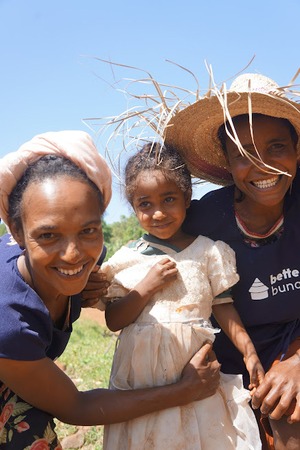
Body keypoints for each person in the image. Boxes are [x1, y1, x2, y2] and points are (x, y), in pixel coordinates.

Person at [0, 130, 221, 449]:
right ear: (18, 234)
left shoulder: (93, 261)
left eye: (88, 230)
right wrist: (184, 390)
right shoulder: (8, 317)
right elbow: (74, 406)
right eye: (48, 236)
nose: (73, 254)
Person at [164, 73, 300, 450]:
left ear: (296, 149)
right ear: (226, 161)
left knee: (290, 413)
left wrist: (297, 363)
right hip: (226, 360)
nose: (262, 166)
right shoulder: (204, 221)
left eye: (276, 147)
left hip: (293, 345)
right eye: (243, 154)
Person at [100, 142, 262, 450]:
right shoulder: (125, 260)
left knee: (198, 435)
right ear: (134, 208)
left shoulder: (209, 252)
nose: (158, 212)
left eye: (169, 199)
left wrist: (249, 352)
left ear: (187, 199)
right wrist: (145, 287)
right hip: (142, 379)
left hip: (195, 370)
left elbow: (224, 308)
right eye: (145, 204)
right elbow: (113, 320)